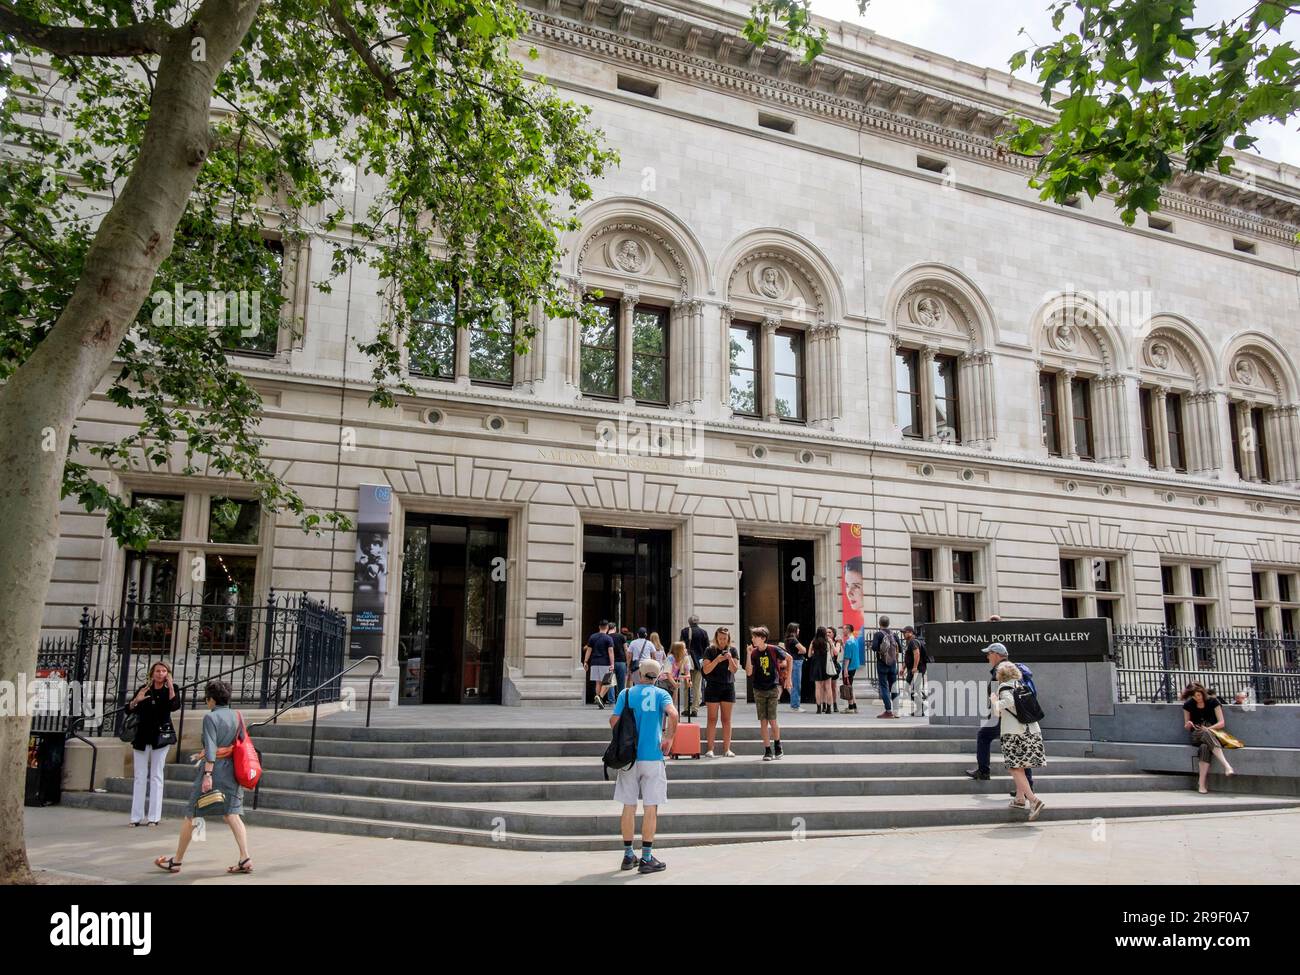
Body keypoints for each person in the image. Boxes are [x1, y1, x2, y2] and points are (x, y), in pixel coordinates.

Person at [153, 680, 252, 875]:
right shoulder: (238, 715)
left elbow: (211, 748)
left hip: (215, 770)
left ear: (212, 699)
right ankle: (245, 857)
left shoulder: (210, 718)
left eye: (207, 699)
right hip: (232, 770)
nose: (207, 702)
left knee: (192, 813)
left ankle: (177, 861)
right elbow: (239, 743)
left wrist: (207, 773)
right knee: (232, 813)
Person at [610, 658, 678, 874]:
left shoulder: (626, 694)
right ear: (657, 677)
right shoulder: (661, 694)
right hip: (652, 755)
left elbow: (613, 720)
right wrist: (669, 738)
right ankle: (647, 857)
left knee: (628, 805)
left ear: (639, 673)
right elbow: (674, 715)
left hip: (629, 758)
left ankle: (628, 855)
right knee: (651, 806)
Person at [966, 642, 1036, 793]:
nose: (987, 656)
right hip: (1019, 715)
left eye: (989, 653)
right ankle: (1026, 787)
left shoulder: (1001, 670)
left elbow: (1000, 694)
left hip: (1006, 715)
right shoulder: (1013, 667)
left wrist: (994, 706)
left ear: (996, 655)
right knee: (1019, 749)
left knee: (984, 736)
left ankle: (984, 771)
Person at [126, 661, 180, 827]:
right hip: (142, 736)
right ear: (152, 673)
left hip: (160, 736)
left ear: (168, 674)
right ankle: (136, 817)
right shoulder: (144, 689)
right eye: (157, 671)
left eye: (164, 671)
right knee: (139, 776)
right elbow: (128, 710)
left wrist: (170, 687)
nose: (160, 674)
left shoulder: (171, 689)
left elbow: (174, 706)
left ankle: (154, 817)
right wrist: (137, 700)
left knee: (156, 775)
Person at [993, 661, 1046, 821]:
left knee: (1015, 768)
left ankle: (1034, 800)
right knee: (1021, 766)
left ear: (1000, 675)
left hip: (1014, 733)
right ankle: (1020, 799)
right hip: (1032, 730)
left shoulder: (1004, 688)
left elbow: (1006, 705)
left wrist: (994, 701)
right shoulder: (1020, 684)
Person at [1182, 681, 1236, 793]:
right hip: (1196, 734)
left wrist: (1209, 728)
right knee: (1205, 734)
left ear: (1202, 692)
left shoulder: (1213, 702)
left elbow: (1222, 723)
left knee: (1204, 748)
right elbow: (1187, 724)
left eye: (1198, 695)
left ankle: (1201, 784)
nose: (1197, 698)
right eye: (1193, 696)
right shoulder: (1188, 705)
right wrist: (1188, 725)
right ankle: (1226, 765)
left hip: (1213, 734)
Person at [746, 627, 789, 760]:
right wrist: (748, 654)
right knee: (763, 721)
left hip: (772, 688)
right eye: (752, 637)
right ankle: (767, 750)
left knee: (772, 719)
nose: (752, 639)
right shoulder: (753, 653)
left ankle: (778, 745)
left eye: (755, 637)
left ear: (763, 638)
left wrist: (789, 678)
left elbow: (790, 658)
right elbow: (748, 672)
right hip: (758, 689)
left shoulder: (773, 649)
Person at [701, 626, 739, 757]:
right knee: (712, 718)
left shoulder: (733, 650)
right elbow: (706, 670)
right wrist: (717, 659)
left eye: (725, 638)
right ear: (716, 638)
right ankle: (710, 749)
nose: (722, 641)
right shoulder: (709, 650)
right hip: (713, 686)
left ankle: (727, 749)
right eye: (720, 638)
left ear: (728, 639)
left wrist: (729, 658)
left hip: (728, 686)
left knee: (726, 719)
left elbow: (734, 670)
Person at [869, 616, 902, 718]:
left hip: (882, 663)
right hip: (893, 664)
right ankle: (896, 711)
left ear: (879, 623)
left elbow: (874, 648)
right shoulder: (894, 634)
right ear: (888, 623)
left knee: (883, 686)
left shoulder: (878, 634)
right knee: (894, 687)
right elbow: (900, 649)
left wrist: (874, 646)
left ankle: (888, 711)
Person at [680, 615, 709, 719]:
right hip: (698, 663)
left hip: (687, 662)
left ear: (689, 622)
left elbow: (681, 647)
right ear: (698, 622)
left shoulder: (684, 632)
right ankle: (695, 709)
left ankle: (686, 708)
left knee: (686, 686)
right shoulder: (703, 632)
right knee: (697, 686)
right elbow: (707, 648)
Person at [583, 620, 615, 709]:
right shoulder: (608, 638)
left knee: (598, 682)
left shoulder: (592, 637)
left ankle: (599, 700)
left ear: (599, 627)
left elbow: (589, 650)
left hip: (594, 663)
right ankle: (600, 697)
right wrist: (612, 664)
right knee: (609, 683)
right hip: (605, 663)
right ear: (607, 627)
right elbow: (611, 651)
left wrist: (585, 661)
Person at [901, 625, 928, 717]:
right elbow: (909, 657)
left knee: (913, 689)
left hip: (917, 669)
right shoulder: (910, 642)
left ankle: (921, 708)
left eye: (905, 632)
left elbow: (916, 653)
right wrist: (903, 667)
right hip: (912, 669)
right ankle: (920, 708)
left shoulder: (913, 642)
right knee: (911, 689)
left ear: (911, 633)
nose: (904, 634)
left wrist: (915, 667)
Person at [784, 623, 807, 712]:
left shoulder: (787, 639)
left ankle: (794, 704)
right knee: (796, 684)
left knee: (794, 683)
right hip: (796, 662)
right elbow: (803, 650)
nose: (799, 630)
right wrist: (800, 652)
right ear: (794, 630)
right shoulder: (793, 640)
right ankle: (795, 706)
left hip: (792, 661)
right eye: (797, 629)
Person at [841, 624, 863, 713]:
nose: (843, 631)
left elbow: (847, 657)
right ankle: (854, 706)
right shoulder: (854, 640)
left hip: (849, 667)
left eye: (844, 629)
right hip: (854, 666)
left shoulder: (849, 642)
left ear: (848, 629)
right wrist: (843, 644)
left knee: (847, 686)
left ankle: (850, 707)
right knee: (850, 686)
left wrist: (845, 669)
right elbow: (848, 651)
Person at [665, 640, 692, 713]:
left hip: (674, 680)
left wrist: (688, 682)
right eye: (684, 648)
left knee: (673, 702)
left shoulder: (686, 658)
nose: (686, 650)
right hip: (664, 681)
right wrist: (674, 684)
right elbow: (668, 674)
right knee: (666, 701)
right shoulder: (670, 658)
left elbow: (687, 673)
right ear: (678, 650)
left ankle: (671, 717)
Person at [609, 622, 629, 698]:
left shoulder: (607, 636)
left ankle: (611, 700)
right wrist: (627, 661)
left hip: (610, 662)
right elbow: (626, 649)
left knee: (610, 682)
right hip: (621, 661)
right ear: (615, 628)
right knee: (621, 682)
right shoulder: (621, 636)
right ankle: (621, 698)